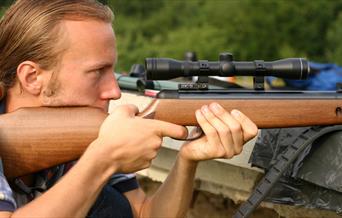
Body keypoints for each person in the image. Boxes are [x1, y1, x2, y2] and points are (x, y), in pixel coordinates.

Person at [0, 0, 258, 217]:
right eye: (97, 71)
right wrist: (103, 158)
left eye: (112, 70)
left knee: (113, 206)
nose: (114, 90)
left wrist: (188, 158)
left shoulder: (83, 131)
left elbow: (145, 212)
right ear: (32, 77)